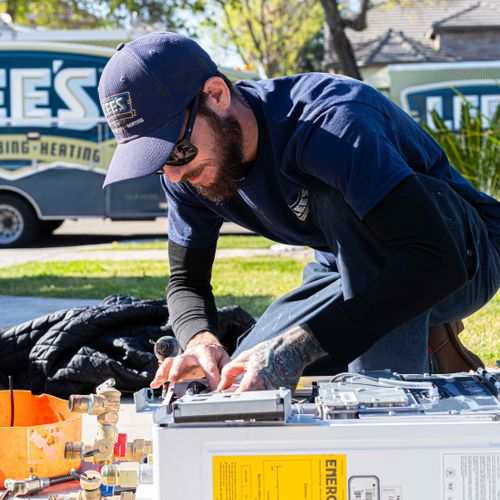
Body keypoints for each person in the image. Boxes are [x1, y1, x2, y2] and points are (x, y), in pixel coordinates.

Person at [98, 32, 500, 393]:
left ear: (216, 95)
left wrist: (304, 345)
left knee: (331, 201)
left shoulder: (331, 124)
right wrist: (201, 339)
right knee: (244, 377)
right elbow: (186, 281)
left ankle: (387, 403)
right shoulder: (187, 174)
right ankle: (419, 333)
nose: (176, 172)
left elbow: (436, 262)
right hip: (346, 269)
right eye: (157, 162)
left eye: (178, 150)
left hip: (462, 253)